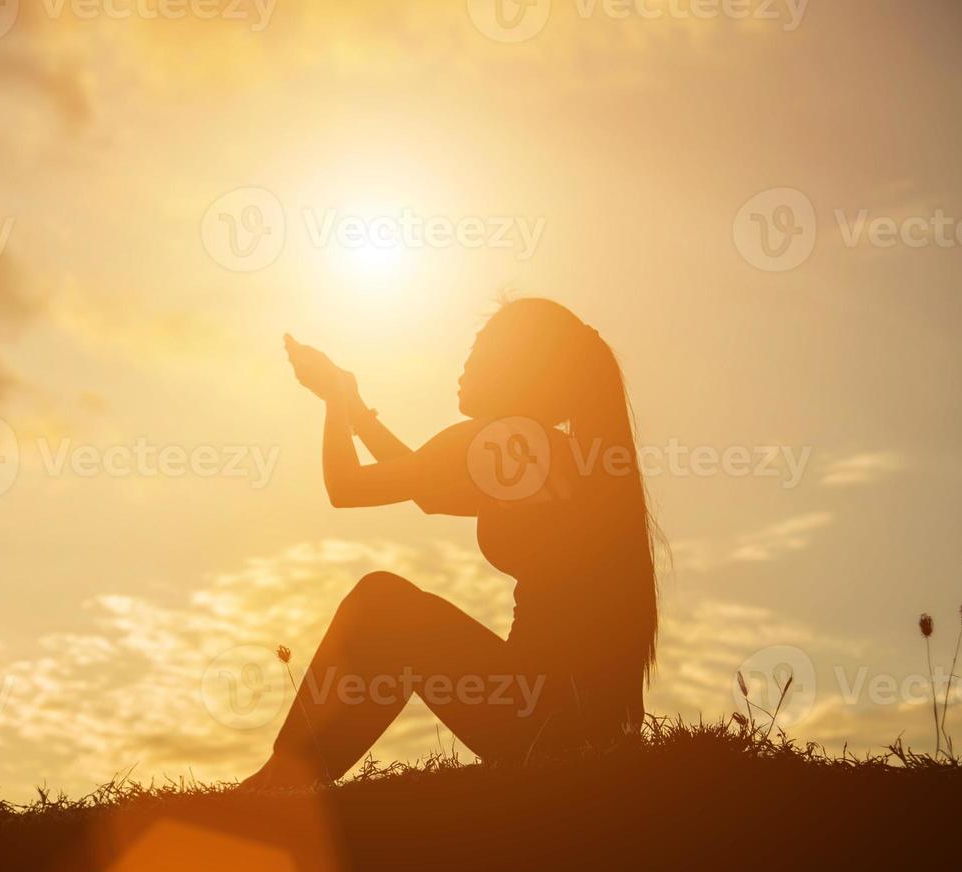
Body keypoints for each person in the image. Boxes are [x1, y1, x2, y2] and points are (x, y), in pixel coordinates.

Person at [241, 298, 661, 789]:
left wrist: (336, 400)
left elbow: (348, 487)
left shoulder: (502, 443)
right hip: (581, 724)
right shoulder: (544, 452)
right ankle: (286, 781)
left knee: (383, 606)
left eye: (481, 349)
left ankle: (281, 783)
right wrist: (354, 407)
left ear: (518, 367)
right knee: (392, 609)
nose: (464, 364)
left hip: (539, 718)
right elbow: (424, 483)